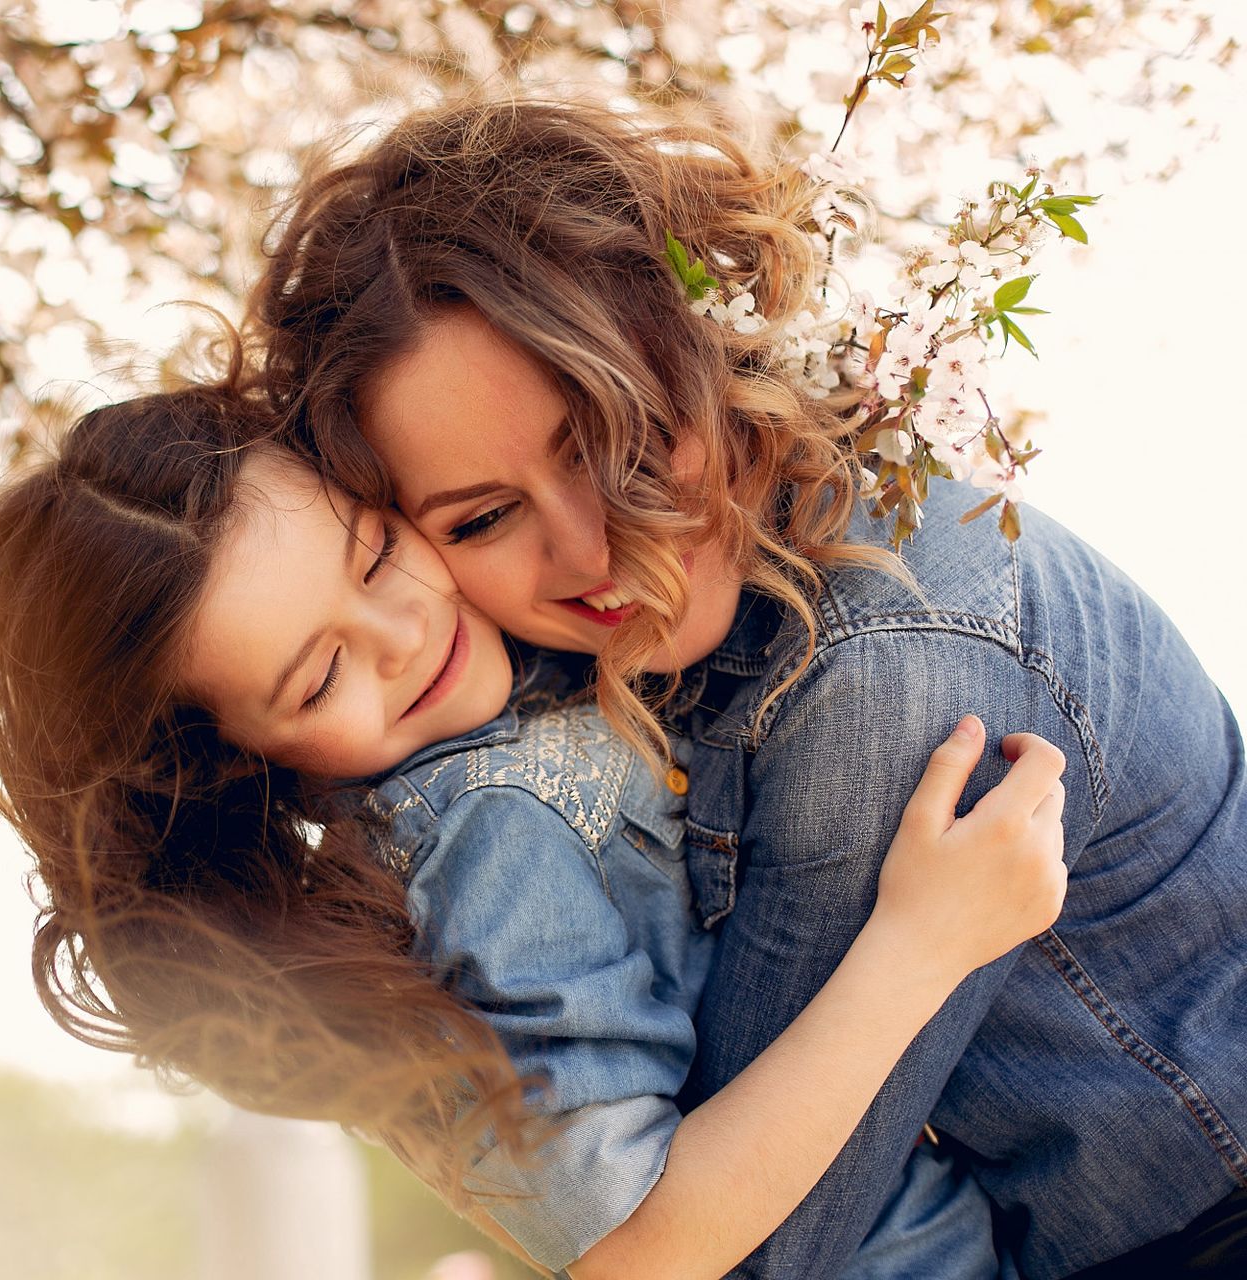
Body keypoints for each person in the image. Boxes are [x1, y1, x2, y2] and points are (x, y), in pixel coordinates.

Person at [253, 95, 1247, 1277]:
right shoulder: (675, 633)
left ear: (707, 350)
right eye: (483, 515)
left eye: (616, 439)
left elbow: (758, 1250)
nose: (591, 549)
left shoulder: (876, 672)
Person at [0, 367, 1068, 1278]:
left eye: (377, 553)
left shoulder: (514, 693)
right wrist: (921, 947)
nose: (399, 631)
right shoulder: (488, 834)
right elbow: (638, 1253)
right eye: (318, 675)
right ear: (240, 767)